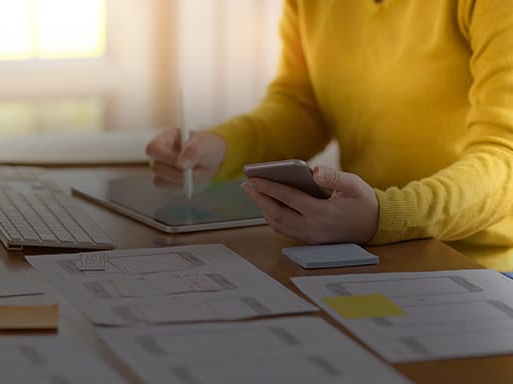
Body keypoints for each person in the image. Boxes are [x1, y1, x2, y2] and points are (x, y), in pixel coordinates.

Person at [145, 0, 513, 271]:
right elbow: (303, 106)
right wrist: (221, 147)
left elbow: (505, 159)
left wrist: (385, 216)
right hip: (362, 247)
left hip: (479, 264)